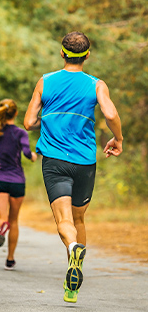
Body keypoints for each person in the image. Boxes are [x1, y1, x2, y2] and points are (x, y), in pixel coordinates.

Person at [24, 31, 123, 303]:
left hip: (55, 161)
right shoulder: (96, 84)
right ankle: (73, 286)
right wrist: (118, 138)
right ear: (87, 55)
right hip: (85, 162)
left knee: (64, 221)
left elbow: (29, 121)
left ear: (62, 53)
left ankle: (72, 248)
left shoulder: (46, 81)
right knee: (79, 219)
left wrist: (46, 115)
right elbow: (111, 114)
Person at [0, 99, 37, 271]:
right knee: (15, 220)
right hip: (18, 180)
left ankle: (2, 227)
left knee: (1, 219)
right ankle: (10, 259)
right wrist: (33, 156)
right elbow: (26, 152)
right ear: (16, 113)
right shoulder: (21, 133)